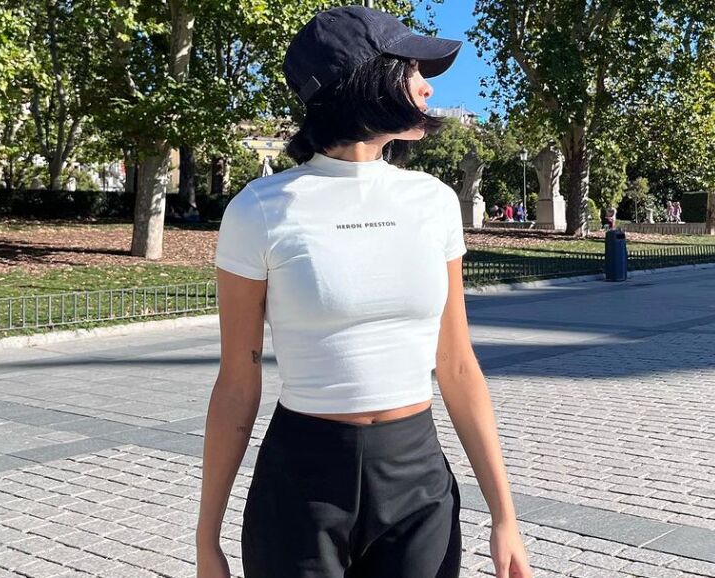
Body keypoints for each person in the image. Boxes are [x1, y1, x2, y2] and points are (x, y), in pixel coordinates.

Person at [198, 6, 532, 578]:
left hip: (417, 482)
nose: (427, 87)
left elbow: (457, 365)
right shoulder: (260, 210)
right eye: (411, 69)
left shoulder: (432, 202)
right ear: (364, 80)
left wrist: (506, 516)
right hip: (301, 485)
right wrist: (207, 539)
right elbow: (236, 382)